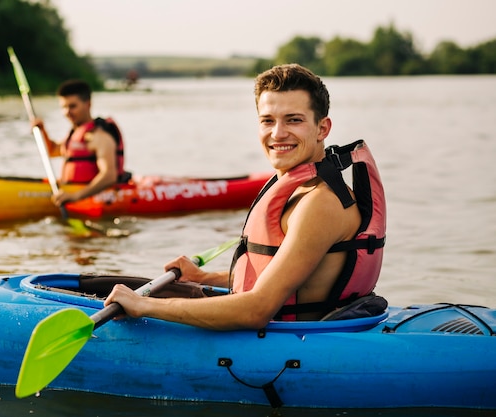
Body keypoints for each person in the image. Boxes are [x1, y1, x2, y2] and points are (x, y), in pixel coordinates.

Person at [104, 64, 386, 330]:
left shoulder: (319, 202)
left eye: (294, 120)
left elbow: (256, 310)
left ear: (322, 128)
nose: (278, 133)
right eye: (267, 121)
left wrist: (143, 305)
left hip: (293, 343)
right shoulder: (300, 185)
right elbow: (287, 278)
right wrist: (202, 278)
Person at [32, 79, 131, 206]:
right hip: (71, 190)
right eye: (64, 107)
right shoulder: (75, 133)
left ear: (88, 104)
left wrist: (75, 197)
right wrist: (42, 131)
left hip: (89, 196)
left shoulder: (99, 137)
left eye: (72, 106)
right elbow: (52, 151)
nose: (67, 112)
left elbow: (109, 176)